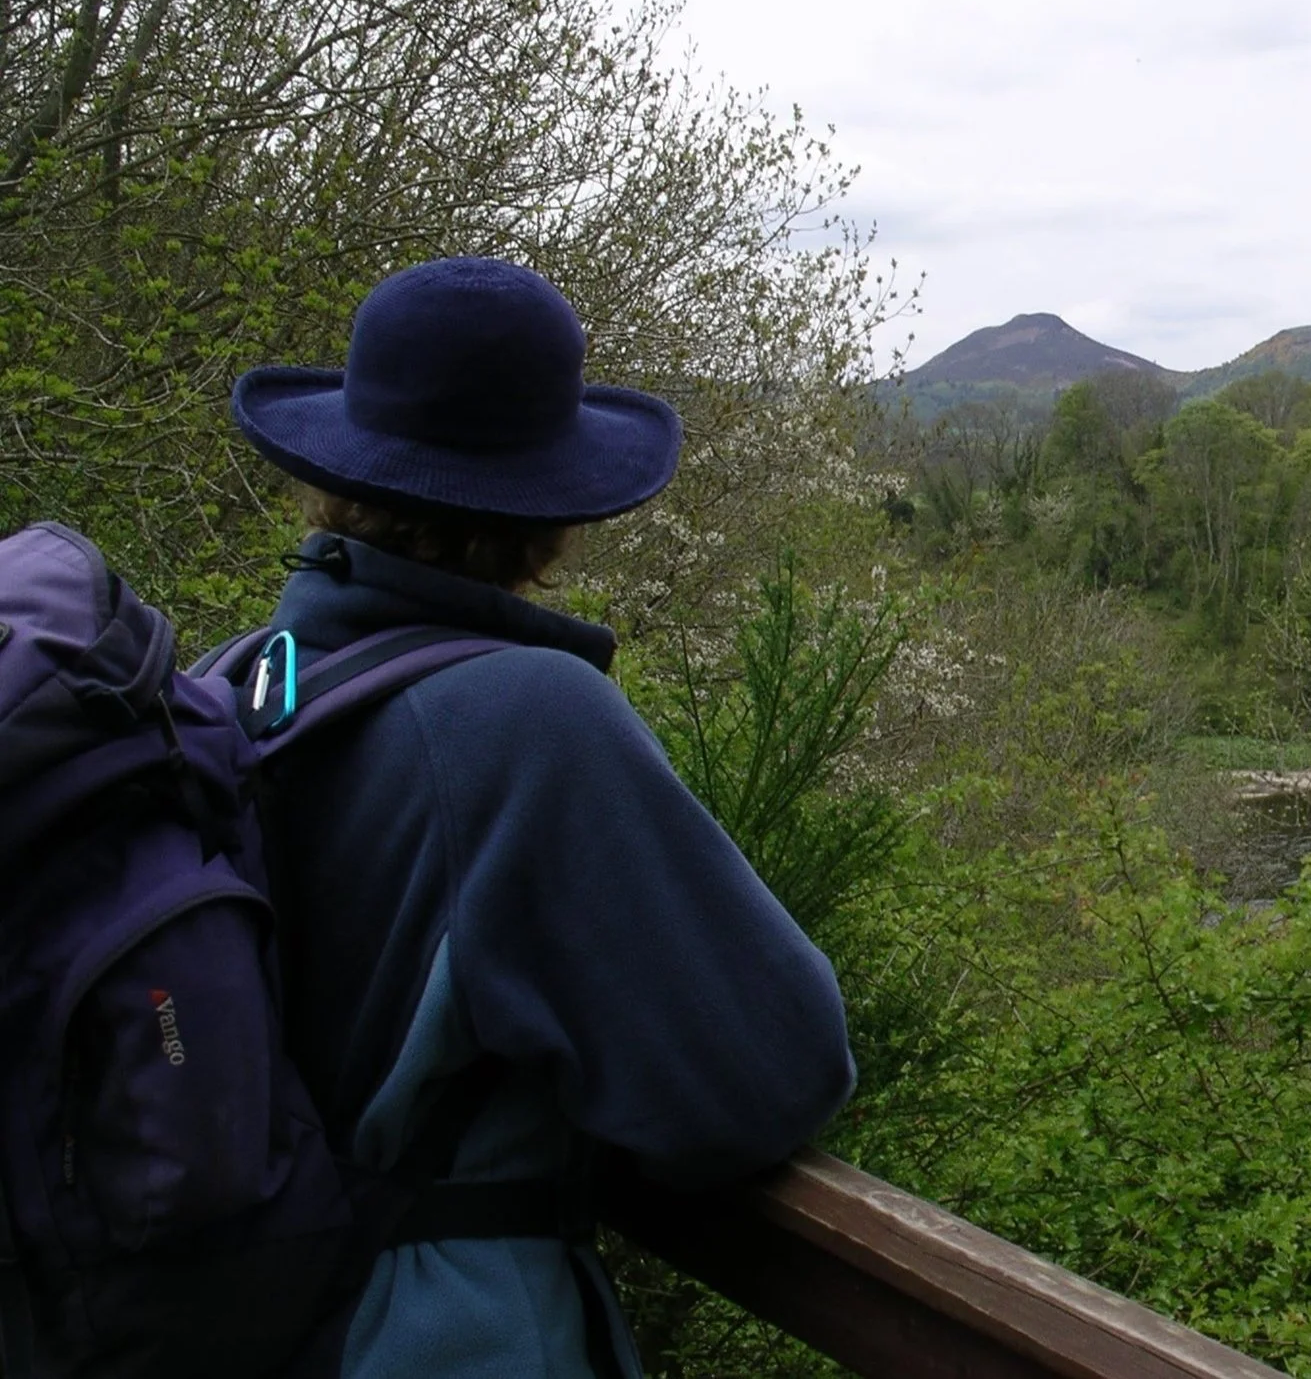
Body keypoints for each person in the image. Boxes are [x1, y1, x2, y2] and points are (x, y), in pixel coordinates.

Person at [223, 256, 856, 1377]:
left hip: (228, 1308)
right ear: (556, 514)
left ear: (331, 471)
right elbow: (762, 1078)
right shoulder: (528, 720)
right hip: (417, 1335)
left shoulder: (237, 680)